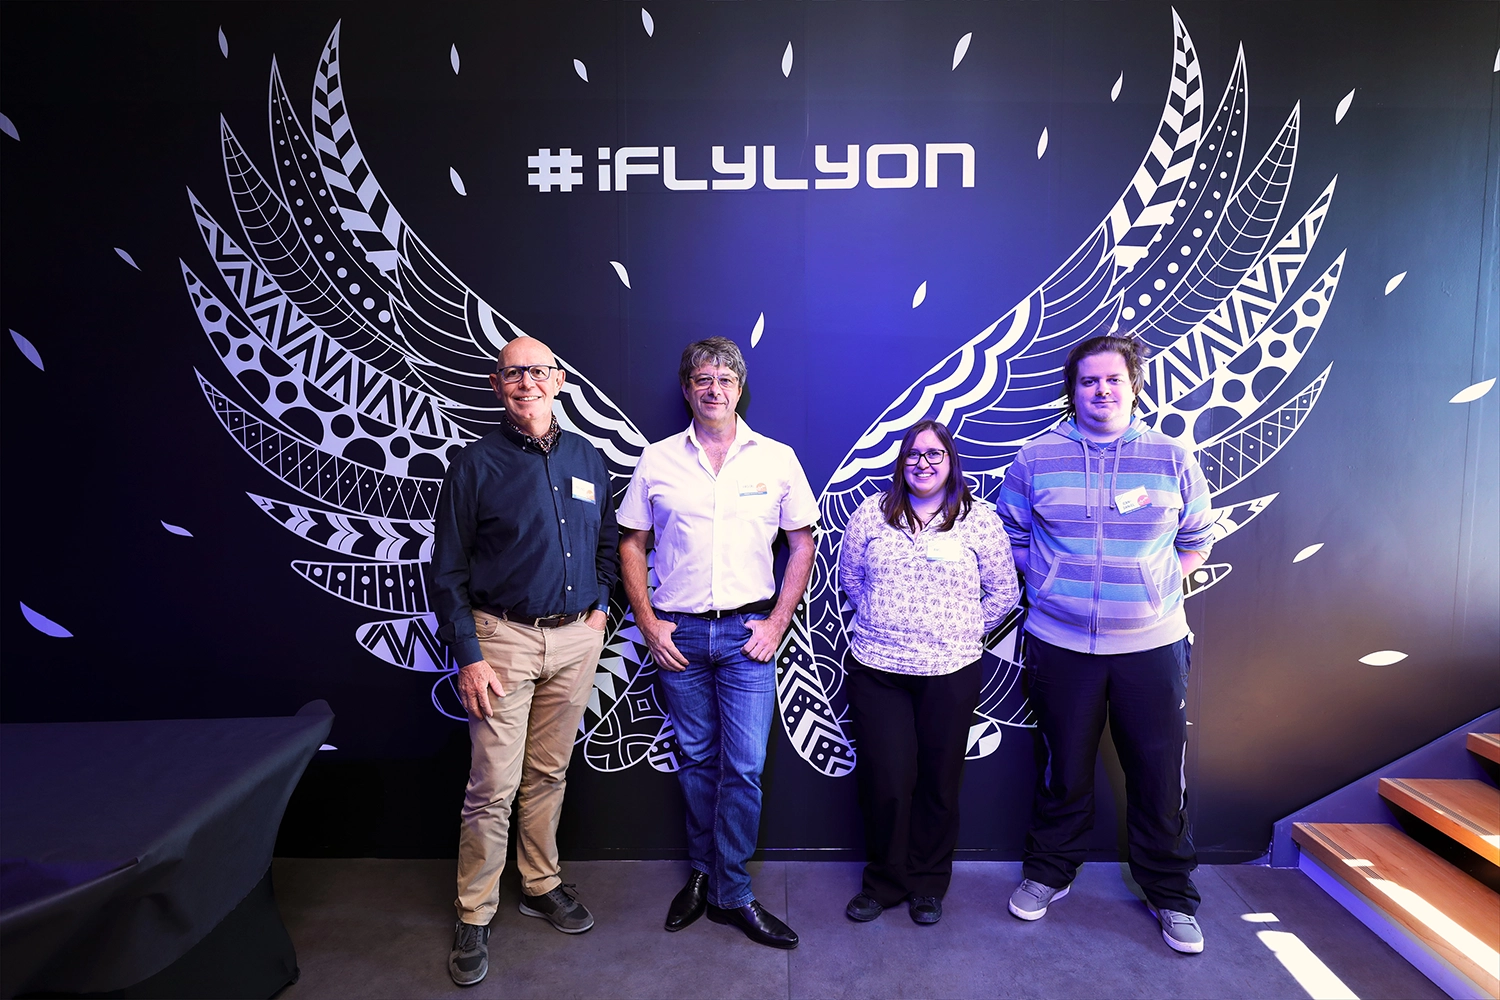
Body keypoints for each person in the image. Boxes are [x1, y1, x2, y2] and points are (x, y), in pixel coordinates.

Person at [997, 334, 1215, 954]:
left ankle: (1170, 895)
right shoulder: (1036, 458)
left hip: (1153, 647)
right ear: (1073, 388)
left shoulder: (1171, 457)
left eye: (1112, 380)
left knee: (1156, 776)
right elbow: (1009, 532)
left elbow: (1198, 534)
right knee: (1062, 769)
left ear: (1133, 385)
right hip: (1059, 645)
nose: (1100, 391)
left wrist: (1156, 585)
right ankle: (1049, 873)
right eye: (1089, 381)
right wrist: (1047, 578)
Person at [617, 336, 818, 950]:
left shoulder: (776, 459)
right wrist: (649, 626)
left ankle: (732, 889)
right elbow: (631, 543)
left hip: (746, 635)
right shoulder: (657, 460)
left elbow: (802, 542)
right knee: (699, 761)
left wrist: (778, 621)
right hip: (677, 635)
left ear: (739, 389)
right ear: (687, 390)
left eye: (725, 380)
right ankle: (703, 874)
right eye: (702, 379)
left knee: (745, 766)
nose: (714, 389)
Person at [429, 335, 618, 986]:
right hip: (501, 640)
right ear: (496, 385)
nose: (526, 382)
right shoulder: (474, 465)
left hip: (575, 640)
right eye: (513, 374)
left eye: (538, 371)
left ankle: (540, 884)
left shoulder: (588, 458)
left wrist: (599, 612)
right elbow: (448, 569)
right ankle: (474, 912)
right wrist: (470, 655)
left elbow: (608, 542)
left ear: (559, 381)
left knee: (548, 774)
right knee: (491, 789)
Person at [838, 420, 1019, 926]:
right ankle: (884, 883)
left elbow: (1004, 591)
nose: (923, 463)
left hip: (952, 669)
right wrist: (883, 617)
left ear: (951, 462)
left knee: (939, 782)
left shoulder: (979, 520)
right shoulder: (871, 514)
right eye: (914, 455)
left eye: (935, 455)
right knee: (887, 780)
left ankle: (927, 885)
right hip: (878, 666)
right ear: (902, 462)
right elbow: (850, 577)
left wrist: (960, 632)